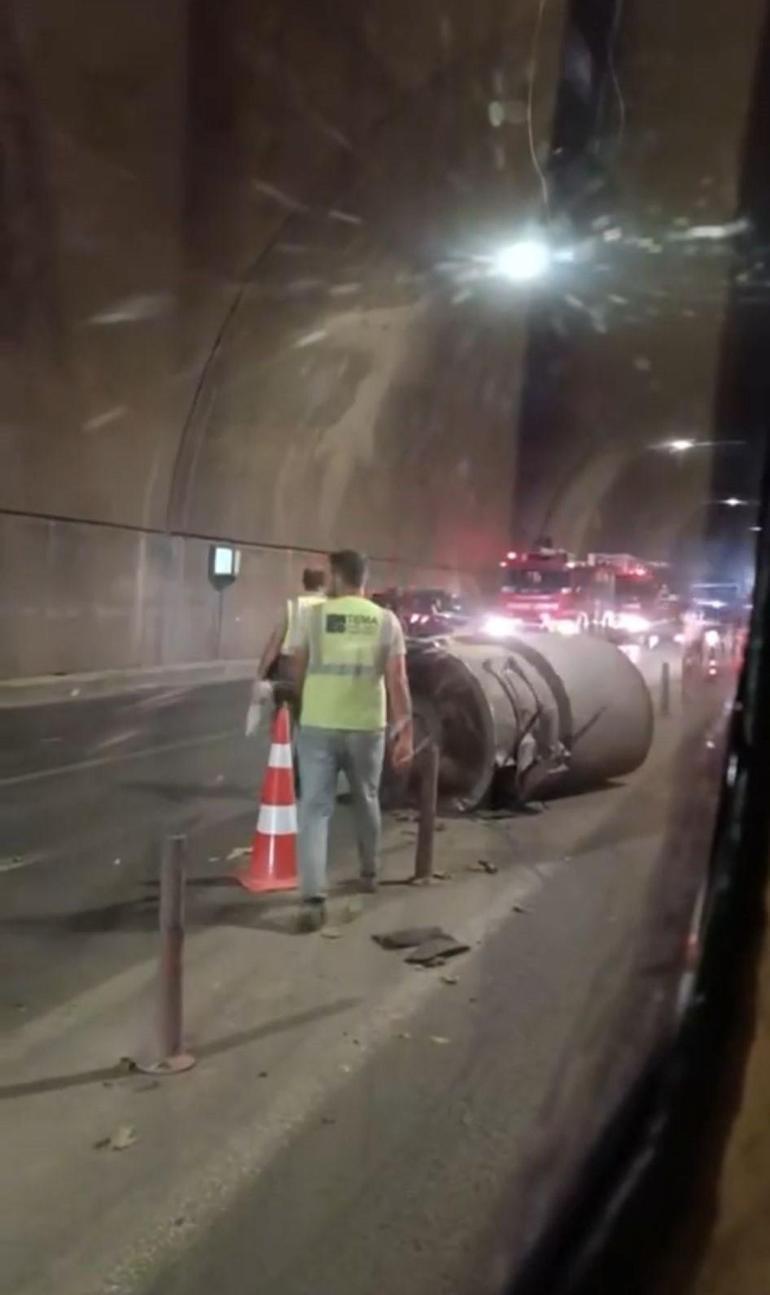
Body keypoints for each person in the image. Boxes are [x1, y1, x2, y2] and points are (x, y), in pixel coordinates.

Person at [292, 549, 414, 931]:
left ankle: (313, 897)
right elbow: (397, 680)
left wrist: (299, 710)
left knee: (314, 809)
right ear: (364, 579)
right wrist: (404, 731)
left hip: (318, 725)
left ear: (338, 577)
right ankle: (369, 873)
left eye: (330, 575)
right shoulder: (386, 621)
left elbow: (297, 670)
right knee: (367, 798)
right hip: (365, 726)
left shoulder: (312, 618)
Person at [255, 567, 327, 686]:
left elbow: (275, 643)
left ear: (304, 582)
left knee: (288, 697)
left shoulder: (293, 605)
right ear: (323, 584)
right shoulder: (330, 606)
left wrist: (261, 674)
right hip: (318, 666)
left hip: (290, 664)